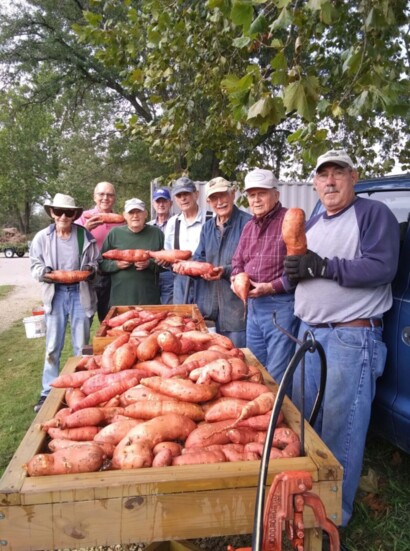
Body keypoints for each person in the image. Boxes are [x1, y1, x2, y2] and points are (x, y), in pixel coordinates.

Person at [283, 149, 400, 527]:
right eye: (323, 175)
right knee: (303, 422)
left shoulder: (372, 213)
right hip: (310, 335)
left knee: (340, 431)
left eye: (338, 173)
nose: (330, 181)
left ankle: (332, 520)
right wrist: (290, 274)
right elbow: (306, 272)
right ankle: (303, 505)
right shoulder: (315, 220)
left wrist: (321, 265)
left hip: (350, 337)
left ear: (353, 176)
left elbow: (383, 267)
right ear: (314, 183)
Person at [30, 193, 99, 412]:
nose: (63, 216)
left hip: (80, 293)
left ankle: (80, 388)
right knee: (52, 346)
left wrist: (89, 271)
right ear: (52, 213)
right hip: (56, 294)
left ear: (74, 215)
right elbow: (35, 266)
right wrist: (49, 274)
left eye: (68, 212)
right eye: (58, 212)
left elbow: (96, 262)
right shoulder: (43, 238)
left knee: (81, 346)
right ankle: (46, 392)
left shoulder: (84, 237)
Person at [231, 168, 299, 383]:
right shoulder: (249, 226)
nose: (256, 200)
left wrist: (271, 287)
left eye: (262, 193)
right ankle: (264, 412)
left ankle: (278, 415)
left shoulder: (289, 221)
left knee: (278, 373)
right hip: (252, 307)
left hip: (279, 306)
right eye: (252, 195)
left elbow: (299, 270)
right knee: (254, 367)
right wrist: (236, 279)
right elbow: (237, 262)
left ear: (276, 195)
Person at [192, 177, 252, 347]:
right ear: (208, 201)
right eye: (213, 198)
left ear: (233, 194)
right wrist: (196, 268)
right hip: (209, 310)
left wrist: (225, 271)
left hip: (235, 312)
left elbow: (253, 265)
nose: (219, 202)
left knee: (238, 359)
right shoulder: (207, 227)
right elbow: (199, 257)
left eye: (223, 195)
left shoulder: (248, 224)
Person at [100, 198, 164, 306]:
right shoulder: (115, 234)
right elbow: (101, 263)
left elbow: (165, 265)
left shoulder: (156, 233)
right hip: (120, 298)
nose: (135, 216)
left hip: (148, 297)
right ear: (124, 215)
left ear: (145, 214)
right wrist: (116, 265)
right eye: (131, 212)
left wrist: (149, 264)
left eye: (138, 212)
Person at [77, 181, 124, 322]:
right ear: (94, 197)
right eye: (101, 194)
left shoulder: (121, 221)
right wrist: (86, 229)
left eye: (110, 195)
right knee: (85, 319)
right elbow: (72, 245)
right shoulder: (83, 217)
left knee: (108, 318)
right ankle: (82, 343)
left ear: (114, 198)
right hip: (88, 275)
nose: (105, 198)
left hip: (110, 275)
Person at [164, 177, 211, 304]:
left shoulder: (211, 219)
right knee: (182, 319)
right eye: (179, 195)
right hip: (180, 280)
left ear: (196, 195)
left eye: (186, 194)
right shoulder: (173, 223)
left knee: (204, 320)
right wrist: (165, 261)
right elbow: (168, 253)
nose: (183, 198)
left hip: (207, 282)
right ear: (175, 199)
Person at [148, 187, 174, 304]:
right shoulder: (147, 226)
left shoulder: (177, 223)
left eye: (164, 201)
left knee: (168, 307)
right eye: (158, 201)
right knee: (151, 307)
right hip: (151, 272)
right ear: (153, 204)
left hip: (169, 273)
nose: (161, 204)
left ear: (171, 203)